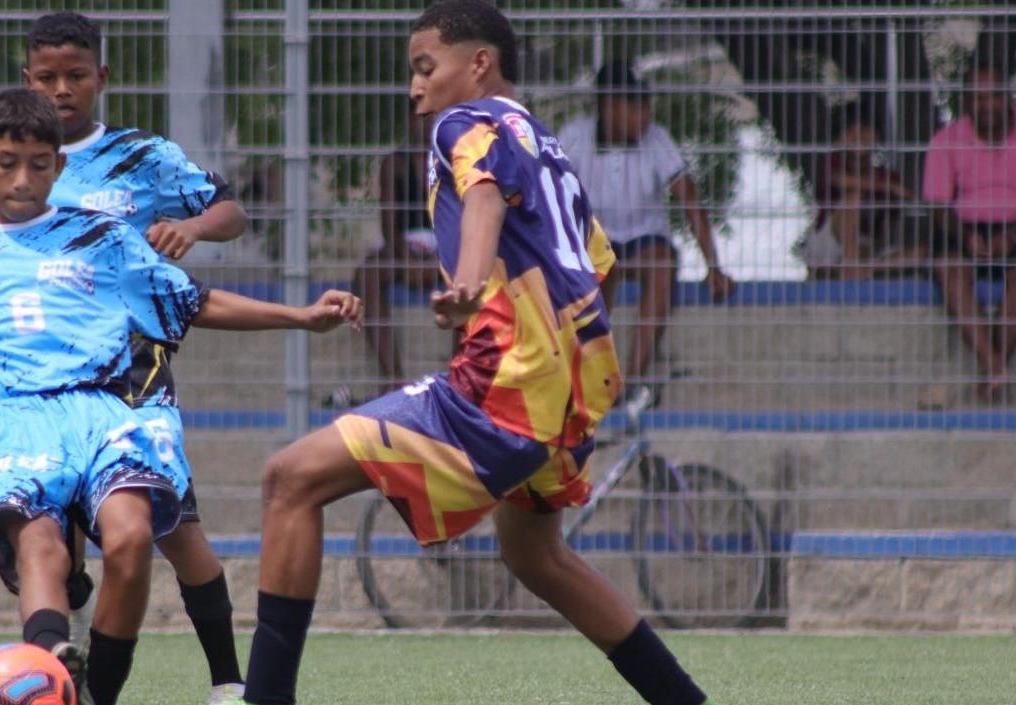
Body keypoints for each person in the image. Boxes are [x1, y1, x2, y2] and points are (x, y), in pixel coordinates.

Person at [241, 4, 716, 705]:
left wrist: (466, 287)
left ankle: (262, 699)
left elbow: (483, 197)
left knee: (289, 480)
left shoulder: (462, 124)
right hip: (578, 376)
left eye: (424, 66)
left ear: (478, 64)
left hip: (510, 374)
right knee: (535, 554)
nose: (413, 86)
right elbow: (596, 261)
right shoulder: (549, 146)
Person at [0, 89, 359, 705]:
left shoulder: (101, 237)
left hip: (109, 408)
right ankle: (50, 662)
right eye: (7, 162)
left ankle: (93, 690)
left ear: (58, 165)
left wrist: (299, 316)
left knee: (134, 536)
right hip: (13, 417)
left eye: (38, 163)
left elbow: (193, 302)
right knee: (41, 544)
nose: (23, 178)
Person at [0, 13, 252, 704]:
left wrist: (187, 226)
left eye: (75, 76)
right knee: (46, 549)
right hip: (34, 385)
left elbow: (231, 211)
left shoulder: (140, 156)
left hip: (130, 371)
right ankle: (57, 679)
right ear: (26, 78)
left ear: (102, 77)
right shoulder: (3, 165)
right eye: (46, 78)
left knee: (177, 531)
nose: (61, 90)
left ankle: (227, 679)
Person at [557, 61, 733, 390]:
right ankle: (586, 376)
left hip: (643, 242)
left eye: (646, 105)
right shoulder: (573, 136)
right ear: (609, 106)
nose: (646, 115)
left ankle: (634, 379)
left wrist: (714, 265)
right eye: (636, 106)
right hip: (595, 243)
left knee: (663, 260)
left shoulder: (657, 138)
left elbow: (689, 198)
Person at [920, 61, 1016, 405]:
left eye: (993, 96)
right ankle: (995, 365)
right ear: (967, 102)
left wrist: (1014, 235)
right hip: (964, 229)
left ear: (1008, 97)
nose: (986, 105)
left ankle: (992, 368)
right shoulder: (946, 140)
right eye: (977, 98)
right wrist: (967, 238)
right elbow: (938, 206)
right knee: (946, 266)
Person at [349, 102, 445, 395]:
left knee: (471, 277)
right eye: (420, 117)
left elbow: (460, 223)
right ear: (408, 119)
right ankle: (391, 377)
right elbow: (389, 226)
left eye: (432, 118)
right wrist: (408, 261)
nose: (425, 125)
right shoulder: (395, 164)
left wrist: (438, 260)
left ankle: (459, 373)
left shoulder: (452, 163)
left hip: (444, 248)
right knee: (367, 274)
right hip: (403, 247)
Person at [799, 108, 919, 280]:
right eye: (850, 132)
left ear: (876, 136)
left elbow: (888, 221)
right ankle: (849, 267)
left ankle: (862, 270)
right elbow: (840, 180)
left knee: (921, 252)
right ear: (838, 140)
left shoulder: (887, 176)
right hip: (830, 243)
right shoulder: (833, 163)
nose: (859, 137)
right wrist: (885, 186)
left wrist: (891, 188)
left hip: (867, 248)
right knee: (853, 197)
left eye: (865, 130)